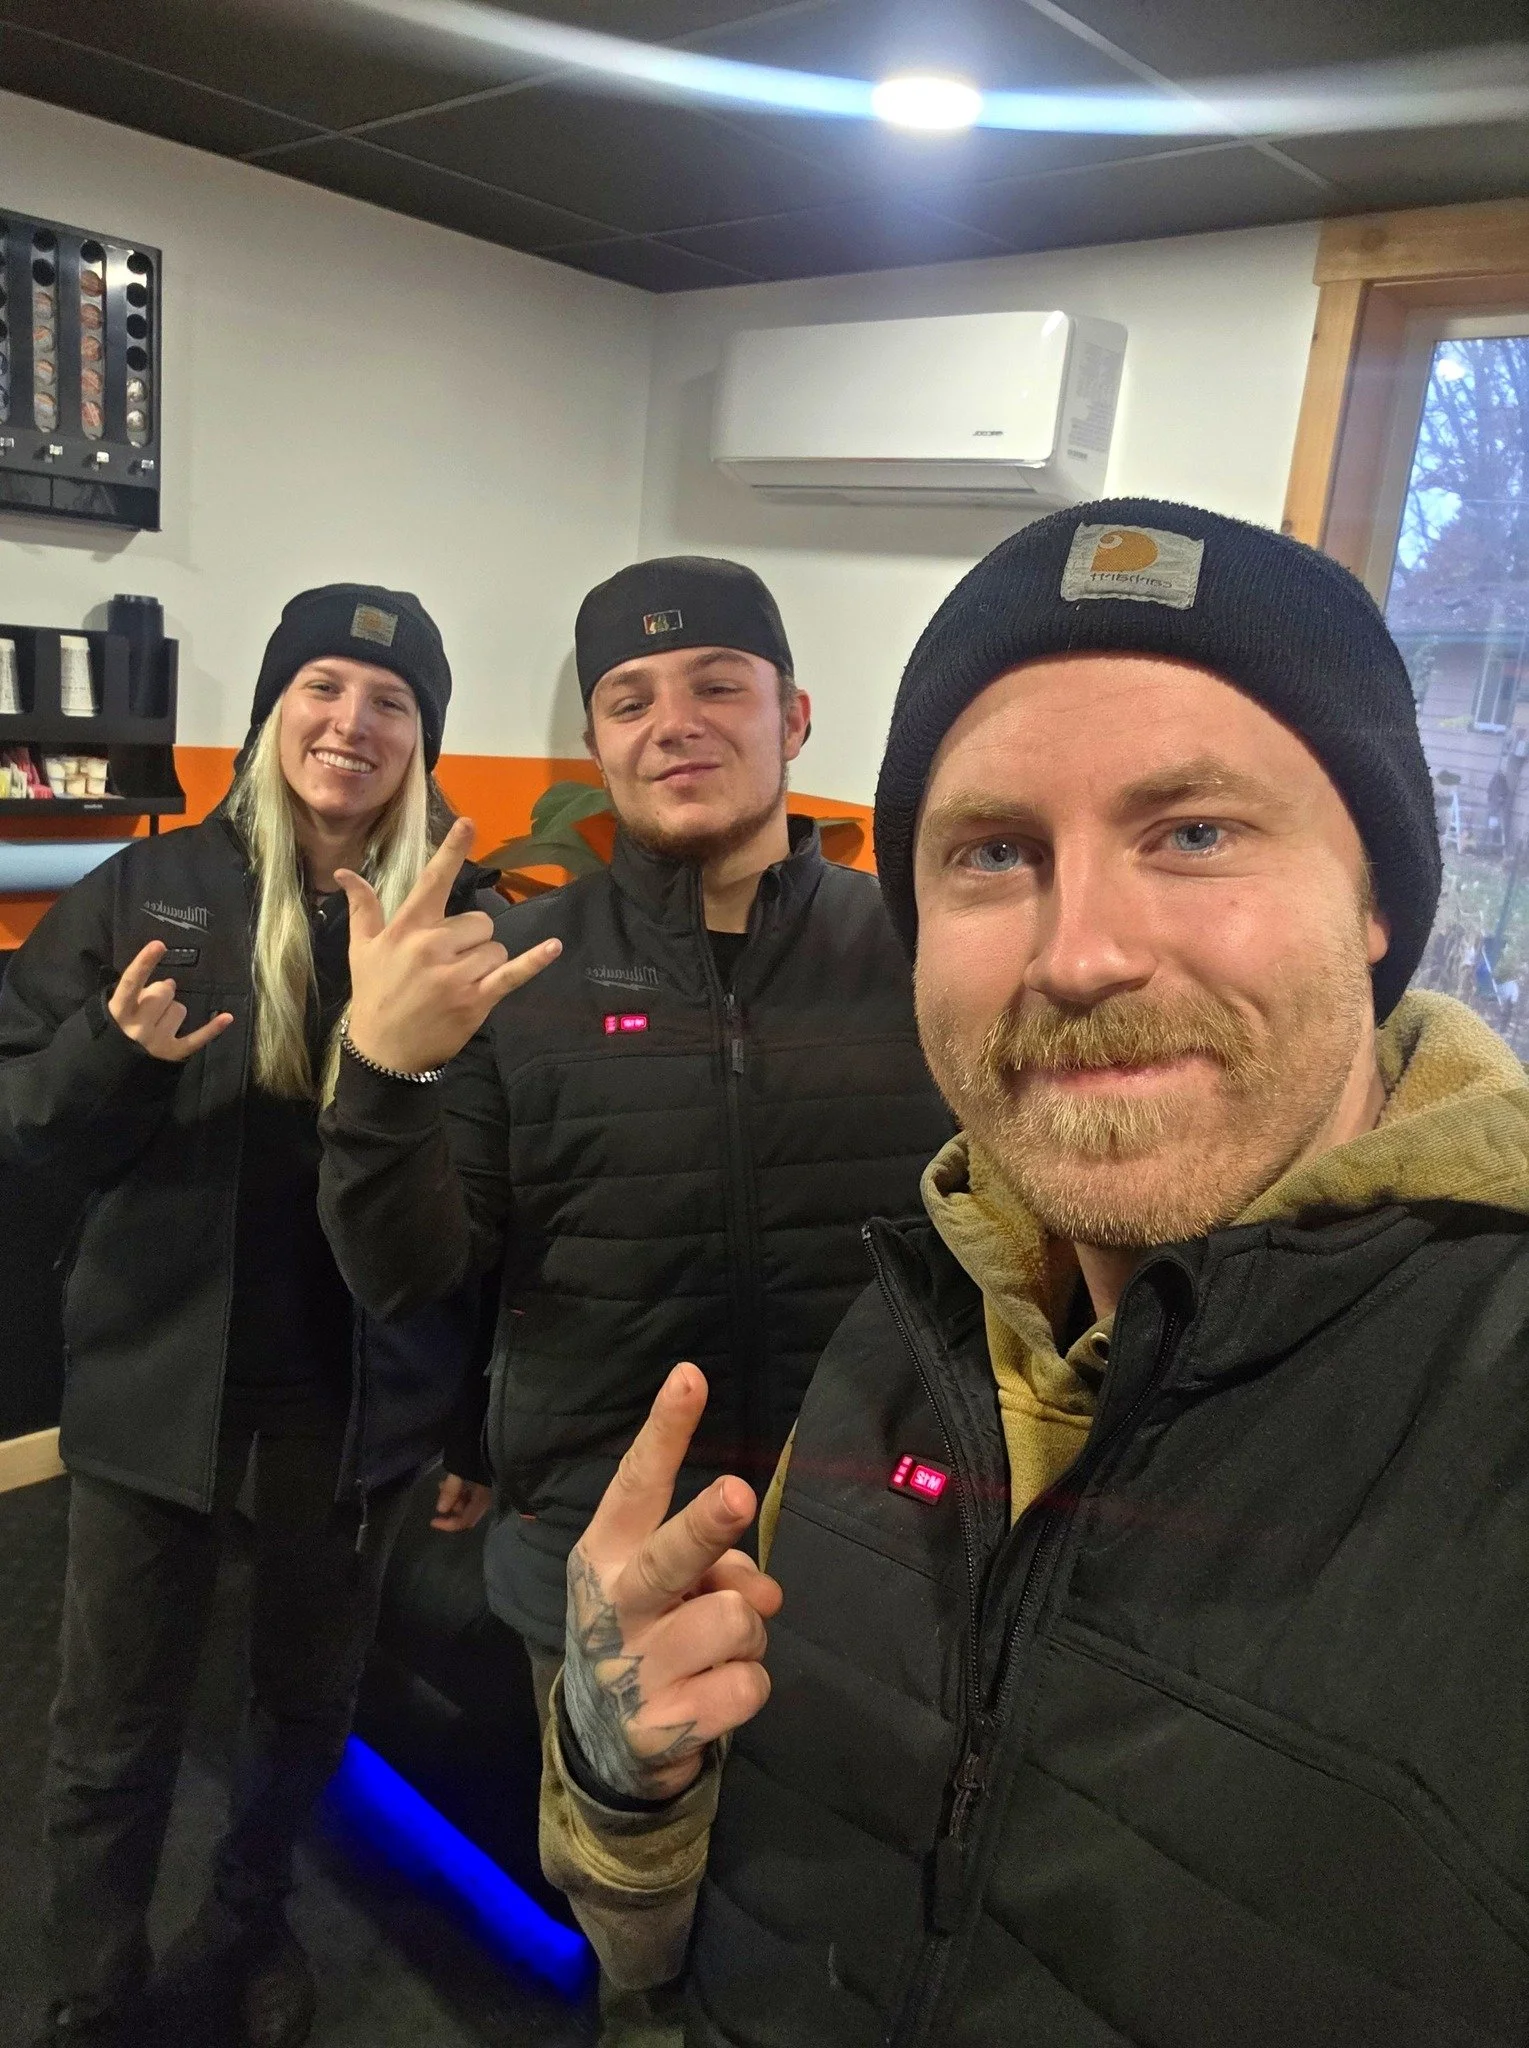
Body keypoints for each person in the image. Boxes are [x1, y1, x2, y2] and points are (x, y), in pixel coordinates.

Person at [540, 501, 1529, 2045]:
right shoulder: (916, 1322)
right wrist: (618, 1774)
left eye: (1193, 832)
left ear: (1379, 900)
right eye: (994, 854)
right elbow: (665, 1947)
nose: (1081, 955)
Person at [317, 555, 951, 1719]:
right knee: (615, 1893)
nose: (675, 725)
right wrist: (385, 1070)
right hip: (601, 1561)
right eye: (630, 699)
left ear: (792, 715)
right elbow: (408, 1273)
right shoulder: (521, 967)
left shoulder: (918, 953)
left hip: (885, 1553)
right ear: (597, 743)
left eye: (717, 686)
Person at [1, 585, 503, 2048]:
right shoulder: (145, 888)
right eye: (325, 688)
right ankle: (91, 1990)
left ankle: (244, 1929)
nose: (352, 725)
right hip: (159, 1371)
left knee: (297, 1710)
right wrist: (111, 1056)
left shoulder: (464, 924)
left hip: (353, 1398)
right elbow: (28, 1123)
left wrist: (468, 1414)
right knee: (110, 1728)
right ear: (276, 709)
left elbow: (502, 1208)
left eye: (390, 703)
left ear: (424, 739)